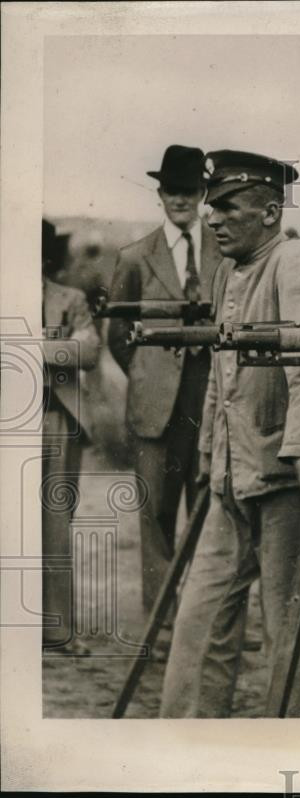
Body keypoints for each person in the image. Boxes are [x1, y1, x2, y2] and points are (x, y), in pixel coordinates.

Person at [159, 150, 300, 717]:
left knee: (288, 627)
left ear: (268, 212)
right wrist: (211, 453)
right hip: (231, 477)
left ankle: (295, 744)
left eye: (227, 206)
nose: (212, 217)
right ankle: (186, 741)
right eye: (210, 207)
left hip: (286, 478)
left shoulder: (294, 261)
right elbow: (223, 370)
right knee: (201, 616)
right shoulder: (226, 271)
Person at [107, 145, 223, 618]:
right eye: (172, 190)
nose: (181, 198)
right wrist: (148, 374)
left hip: (209, 398)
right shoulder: (136, 257)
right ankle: (160, 623)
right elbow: (118, 335)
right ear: (160, 194)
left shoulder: (224, 251)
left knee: (207, 513)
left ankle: (201, 622)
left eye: (189, 190)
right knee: (155, 515)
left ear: (202, 193)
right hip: (154, 407)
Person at [41, 219, 101, 655]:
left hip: (54, 419)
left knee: (56, 525)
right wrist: (53, 345)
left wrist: (25, 347)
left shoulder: (70, 299)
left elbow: (90, 351)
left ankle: (57, 629)